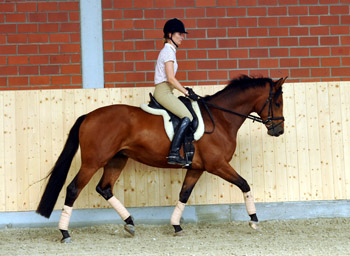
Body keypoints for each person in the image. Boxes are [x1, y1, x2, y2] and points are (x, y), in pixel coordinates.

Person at [154, 18, 193, 166]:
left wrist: (185, 90)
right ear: (170, 34)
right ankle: (174, 153)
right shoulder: (168, 52)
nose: (182, 37)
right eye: (179, 34)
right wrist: (186, 92)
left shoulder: (169, 51)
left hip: (166, 90)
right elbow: (170, 78)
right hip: (163, 91)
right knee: (187, 116)